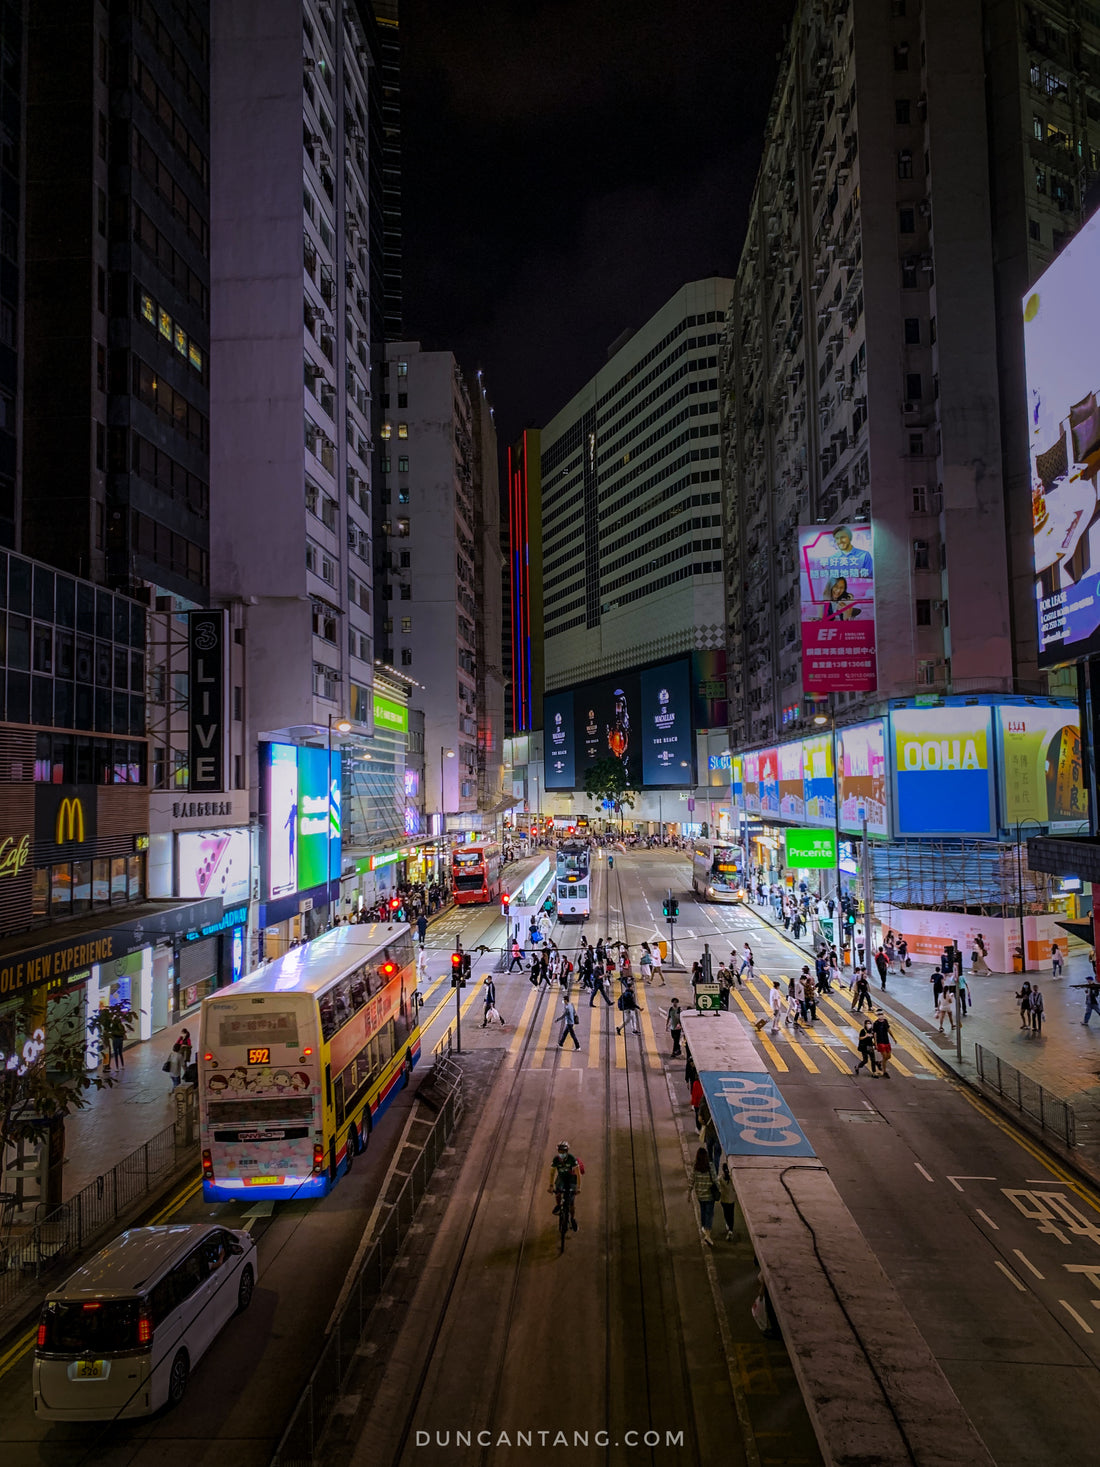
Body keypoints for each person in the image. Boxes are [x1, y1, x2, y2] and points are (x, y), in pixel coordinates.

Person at [548, 1142, 581, 1231]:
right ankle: (558, 1205)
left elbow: (578, 1173)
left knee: (571, 1203)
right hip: (561, 1178)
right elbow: (552, 1173)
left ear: (567, 1151)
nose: (561, 1153)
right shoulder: (556, 1160)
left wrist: (578, 1187)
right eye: (560, 1151)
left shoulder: (571, 1159)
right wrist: (551, 1186)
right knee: (557, 1192)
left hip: (571, 1179)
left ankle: (572, 1219)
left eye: (563, 1151)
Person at [691, 1145, 719, 1246]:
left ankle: (703, 1227)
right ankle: (707, 1234)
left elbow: (691, 1180)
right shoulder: (710, 1166)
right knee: (709, 1214)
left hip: (700, 1195)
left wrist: (689, 1192)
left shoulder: (695, 1166)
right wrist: (719, 1189)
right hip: (709, 1195)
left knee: (703, 1211)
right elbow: (715, 1179)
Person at [717, 1163, 737, 1240]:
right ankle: (730, 1230)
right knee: (731, 1214)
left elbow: (718, 1186)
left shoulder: (720, 1178)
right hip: (731, 1199)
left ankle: (728, 1225)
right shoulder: (732, 1179)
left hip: (724, 1199)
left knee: (726, 1213)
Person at [871, 1010, 893, 1078]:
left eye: (882, 1014)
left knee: (888, 1056)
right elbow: (874, 1034)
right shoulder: (876, 1023)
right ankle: (884, 1072)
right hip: (880, 1042)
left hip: (886, 1041)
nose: (881, 1016)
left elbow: (888, 1030)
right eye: (879, 1014)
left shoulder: (885, 1021)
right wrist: (875, 1043)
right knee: (884, 1056)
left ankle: (879, 1063)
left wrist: (893, 1038)